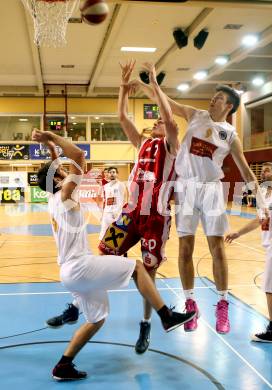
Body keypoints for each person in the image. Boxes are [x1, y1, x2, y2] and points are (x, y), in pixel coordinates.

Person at [32, 128, 195, 381]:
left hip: (69, 271)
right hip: (79, 267)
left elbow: (57, 165)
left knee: (97, 319)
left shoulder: (54, 199)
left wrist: (50, 148)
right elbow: (77, 155)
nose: (66, 173)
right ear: (56, 181)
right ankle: (166, 316)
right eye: (63, 174)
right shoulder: (65, 194)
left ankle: (63, 365)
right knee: (138, 267)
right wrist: (50, 137)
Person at [45, 60, 179, 355]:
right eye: (153, 121)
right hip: (131, 214)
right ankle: (75, 306)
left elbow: (170, 120)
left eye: (159, 121)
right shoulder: (143, 143)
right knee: (103, 253)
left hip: (155, 217)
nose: (157, 121)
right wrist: (123, 86)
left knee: (148, 272)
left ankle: (146, 324)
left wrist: (154, 83)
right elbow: (121, 116)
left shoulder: (171, 146)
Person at [134, 79, 267, 334]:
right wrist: (145, 83)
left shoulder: (230, 135)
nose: (212, 100)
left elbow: (246, 171)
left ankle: (223, 303)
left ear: (229, 105)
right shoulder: (196, 115)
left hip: (211, 189)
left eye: (217, 98)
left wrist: (261, 203)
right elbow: (166, 103)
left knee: (216, 247)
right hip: (186, 187)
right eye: (213, 97)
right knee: (185, 248)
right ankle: (191, 305)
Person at [226, 162, 272, 343]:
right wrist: (238, 233)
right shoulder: (263, 197)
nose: (263, 172)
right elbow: (259, 221)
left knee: (269, 288)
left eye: (267, 170)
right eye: (262, 169)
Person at [99, 166, 127, 240]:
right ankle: (104, 250)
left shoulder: (121, 185)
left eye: (114, 172)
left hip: (117, 214)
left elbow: (125, 199)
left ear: (117, 174)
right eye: (110, 172)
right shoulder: (105, 186)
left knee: (118, 235)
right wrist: (102, 214)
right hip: (107, 213)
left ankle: (121, 251)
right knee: (103, 234)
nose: (112, 174)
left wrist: (119, 212)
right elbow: (105, 200)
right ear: (108, 174)